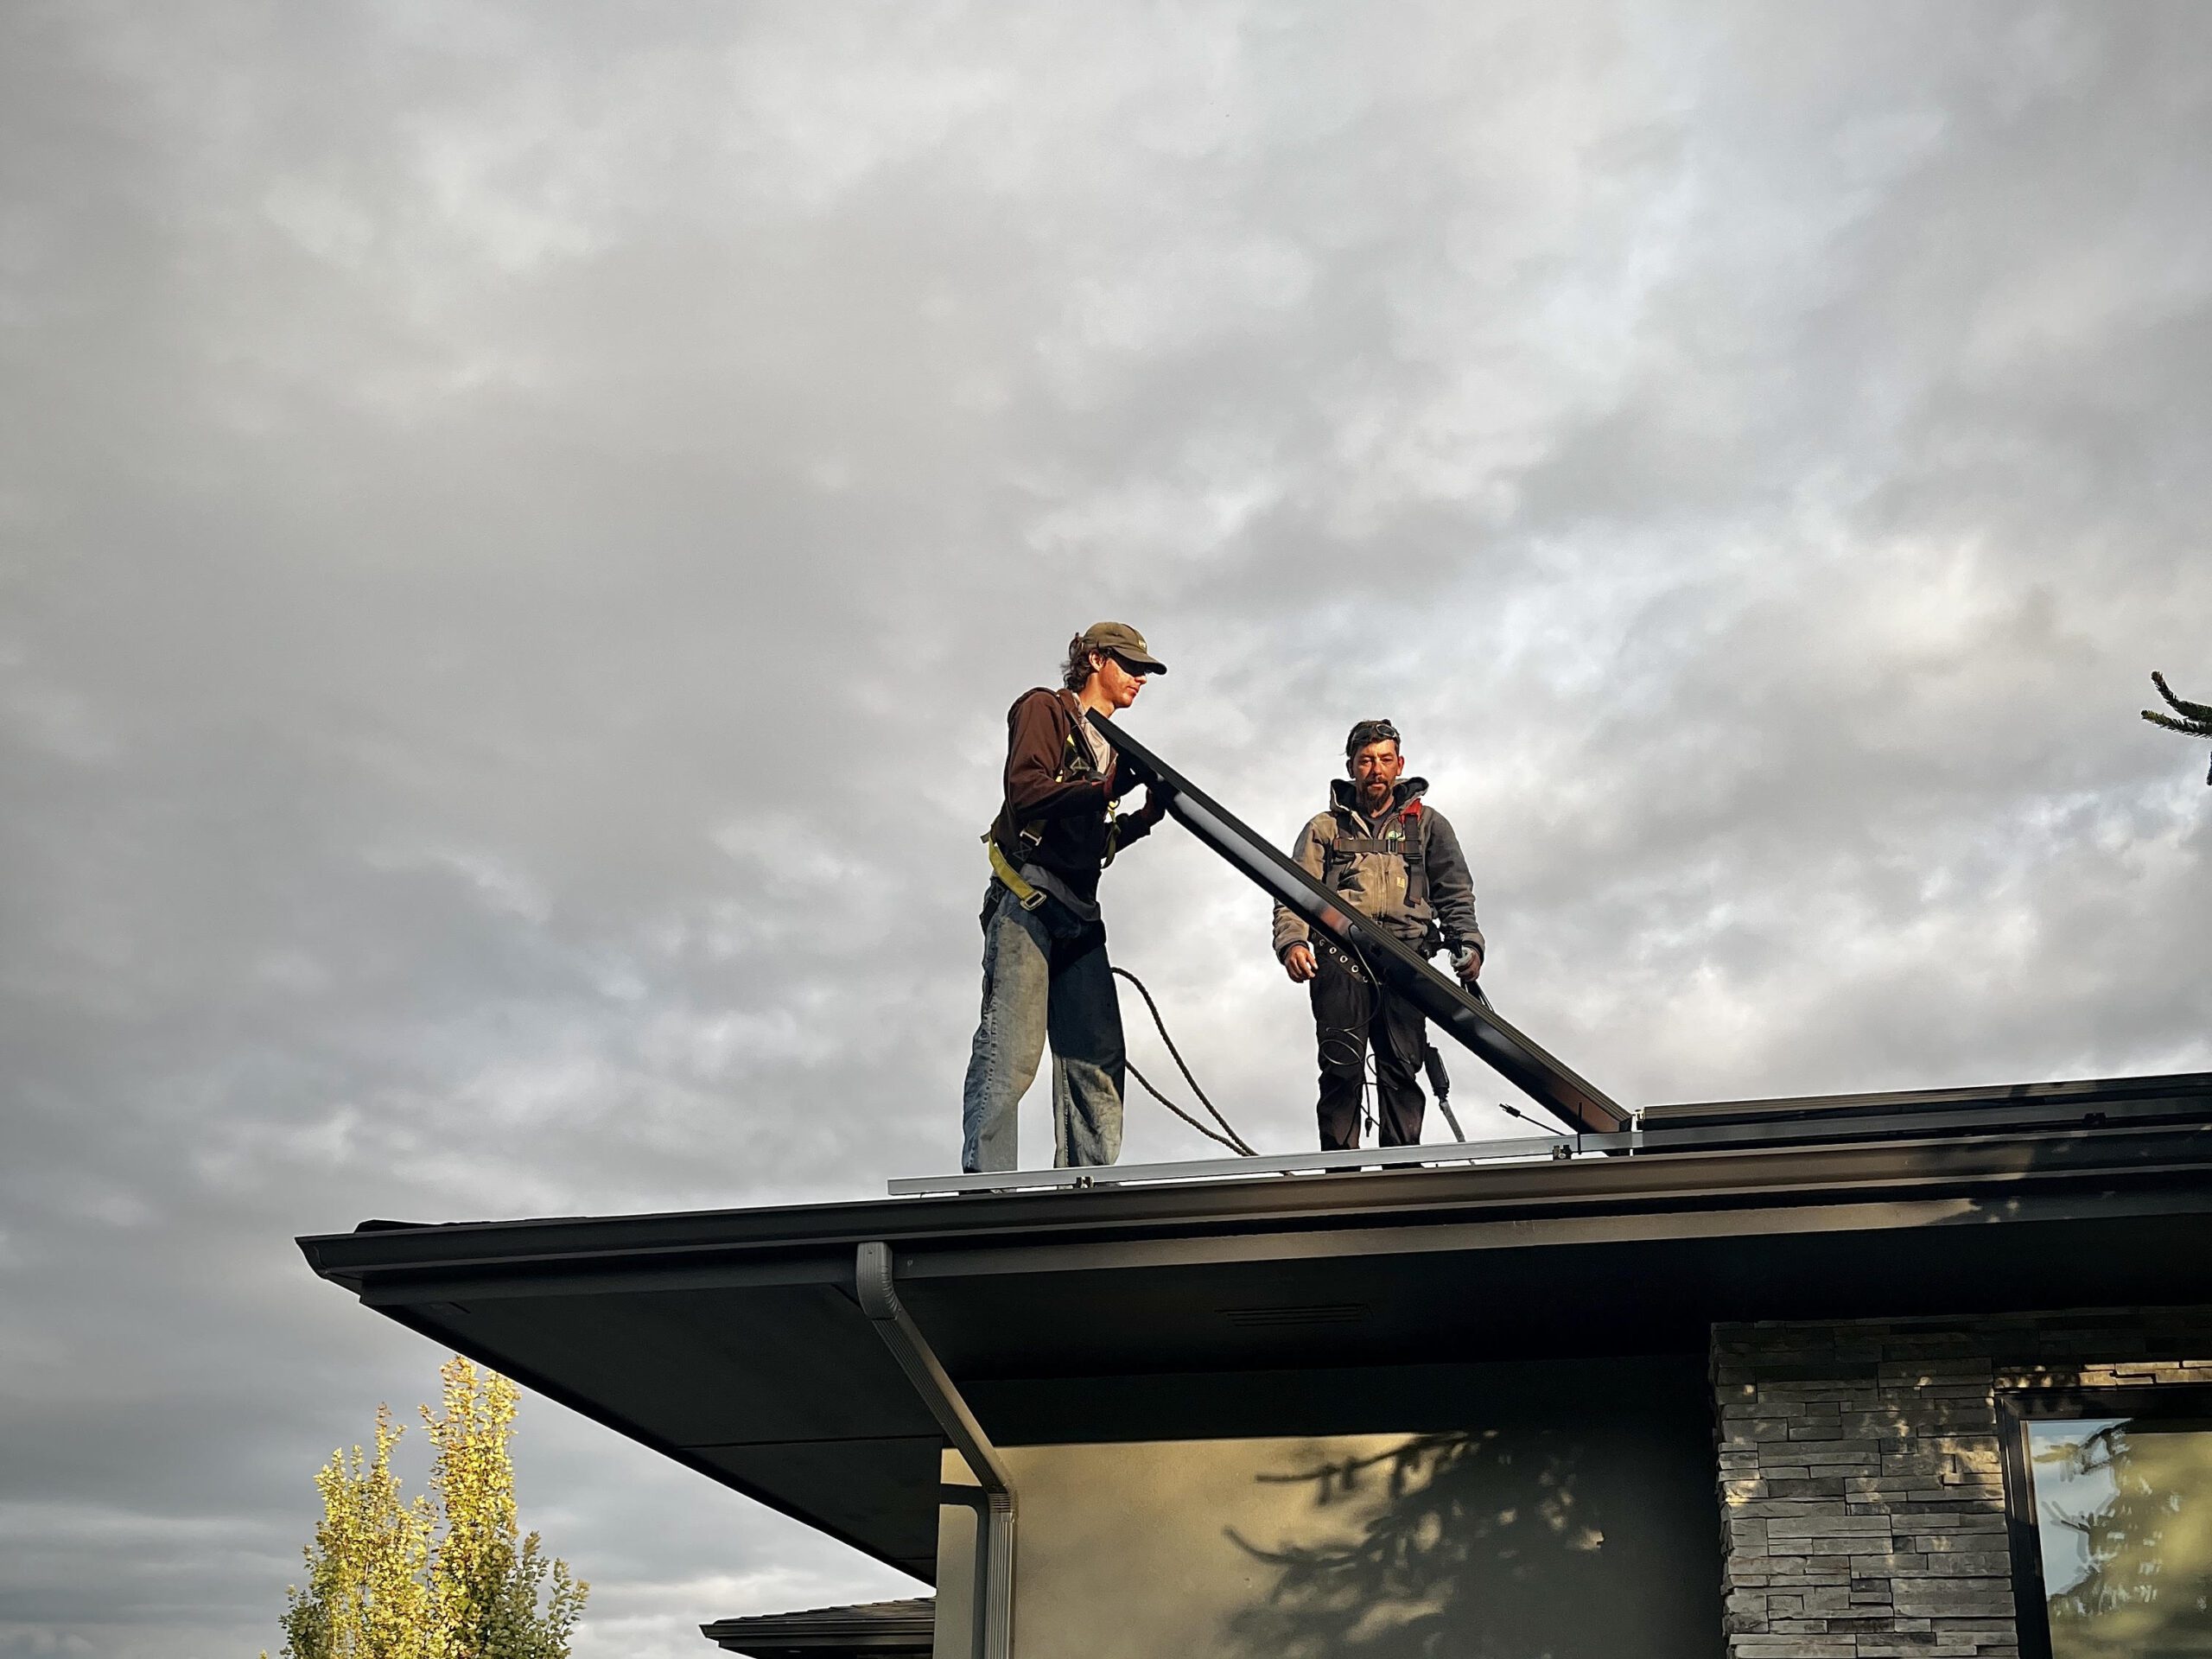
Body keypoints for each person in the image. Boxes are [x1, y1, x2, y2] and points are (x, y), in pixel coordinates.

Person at [960, 623, 1173, 1173]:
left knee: (1096, 1059)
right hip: (1026, 900)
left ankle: (1087, 1192)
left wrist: (1141, 820)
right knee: (1012, 1054)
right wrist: (1106, 790)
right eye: (1130, 666)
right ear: (1095, 659)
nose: (1140, 680)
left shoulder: (1111, 748)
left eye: (1145, 672)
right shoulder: (1045, 710)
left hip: (1078, 913)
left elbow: (1087, 844)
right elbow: (1027, 794)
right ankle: (987, 1189)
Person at [1272, 719, 1485, 1151]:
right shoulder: (1324, 827)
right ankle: (1340, 1171)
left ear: (1399, 764)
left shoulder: (1428, 825)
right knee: (1340, 1066)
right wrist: (1292, 942)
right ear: (1352, 767)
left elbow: (1455, 892)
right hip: (1340, 956)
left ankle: (1402, 1168)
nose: (1376, 769)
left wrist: (1469, 944)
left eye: (1385, 760)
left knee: (1403, 1067)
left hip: (1407, 959)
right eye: (1366, 761)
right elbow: (1292, 891)